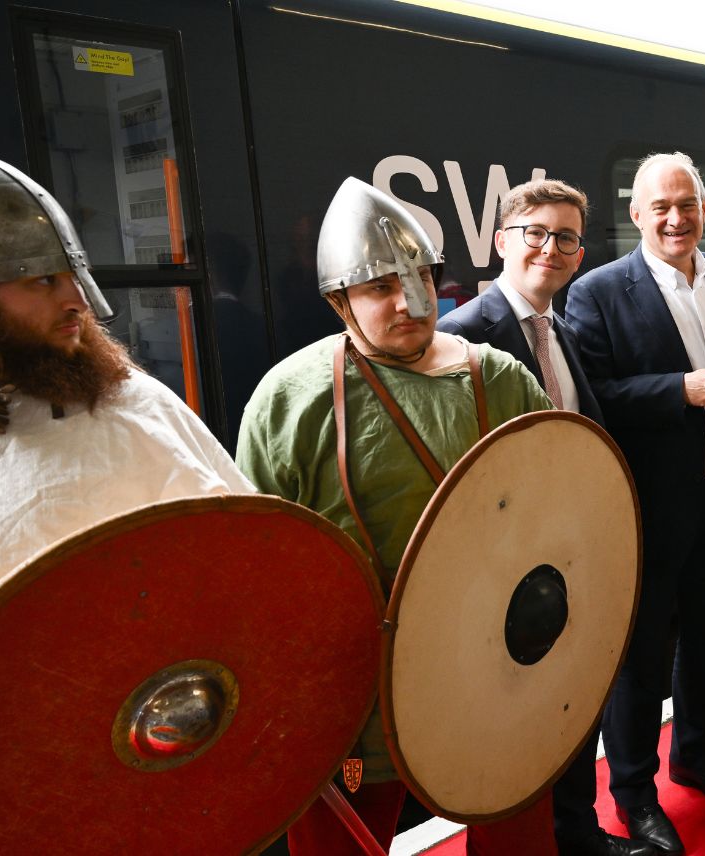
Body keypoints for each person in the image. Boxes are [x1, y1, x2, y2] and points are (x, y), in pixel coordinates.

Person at [237, 177, 554, 856]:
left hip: (494, 662)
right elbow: (259, 565)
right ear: (339, 301)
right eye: (381, 286)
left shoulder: (502, 379)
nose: (409, 301)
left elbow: (559, 513)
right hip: (357, 686)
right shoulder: (290, 400)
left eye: (420, 279)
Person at [435, 180, 649, 856]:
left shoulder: (563, 332)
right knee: (516, 727)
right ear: (502, 241)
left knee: (571, 705)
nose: (550, 248)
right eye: (535, 232)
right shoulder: (461, 337)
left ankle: (577, 834)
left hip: (567, 558)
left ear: (579, 255)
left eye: (566, 238)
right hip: (504, 575)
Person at [0, 152, 252, 627]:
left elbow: (247, 548)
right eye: (43, 280)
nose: (77, 301)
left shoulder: (136, 402)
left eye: (74, 277)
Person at [566, 152, 705, 856]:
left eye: (687, 204)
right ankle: (636, 795)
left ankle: (697, 759)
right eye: (660, 207)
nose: (675, 219)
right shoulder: (597, 293)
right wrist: (676, 389)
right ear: (637, 215)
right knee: (642, 662)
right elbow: (594, 396)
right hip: (651, 514)